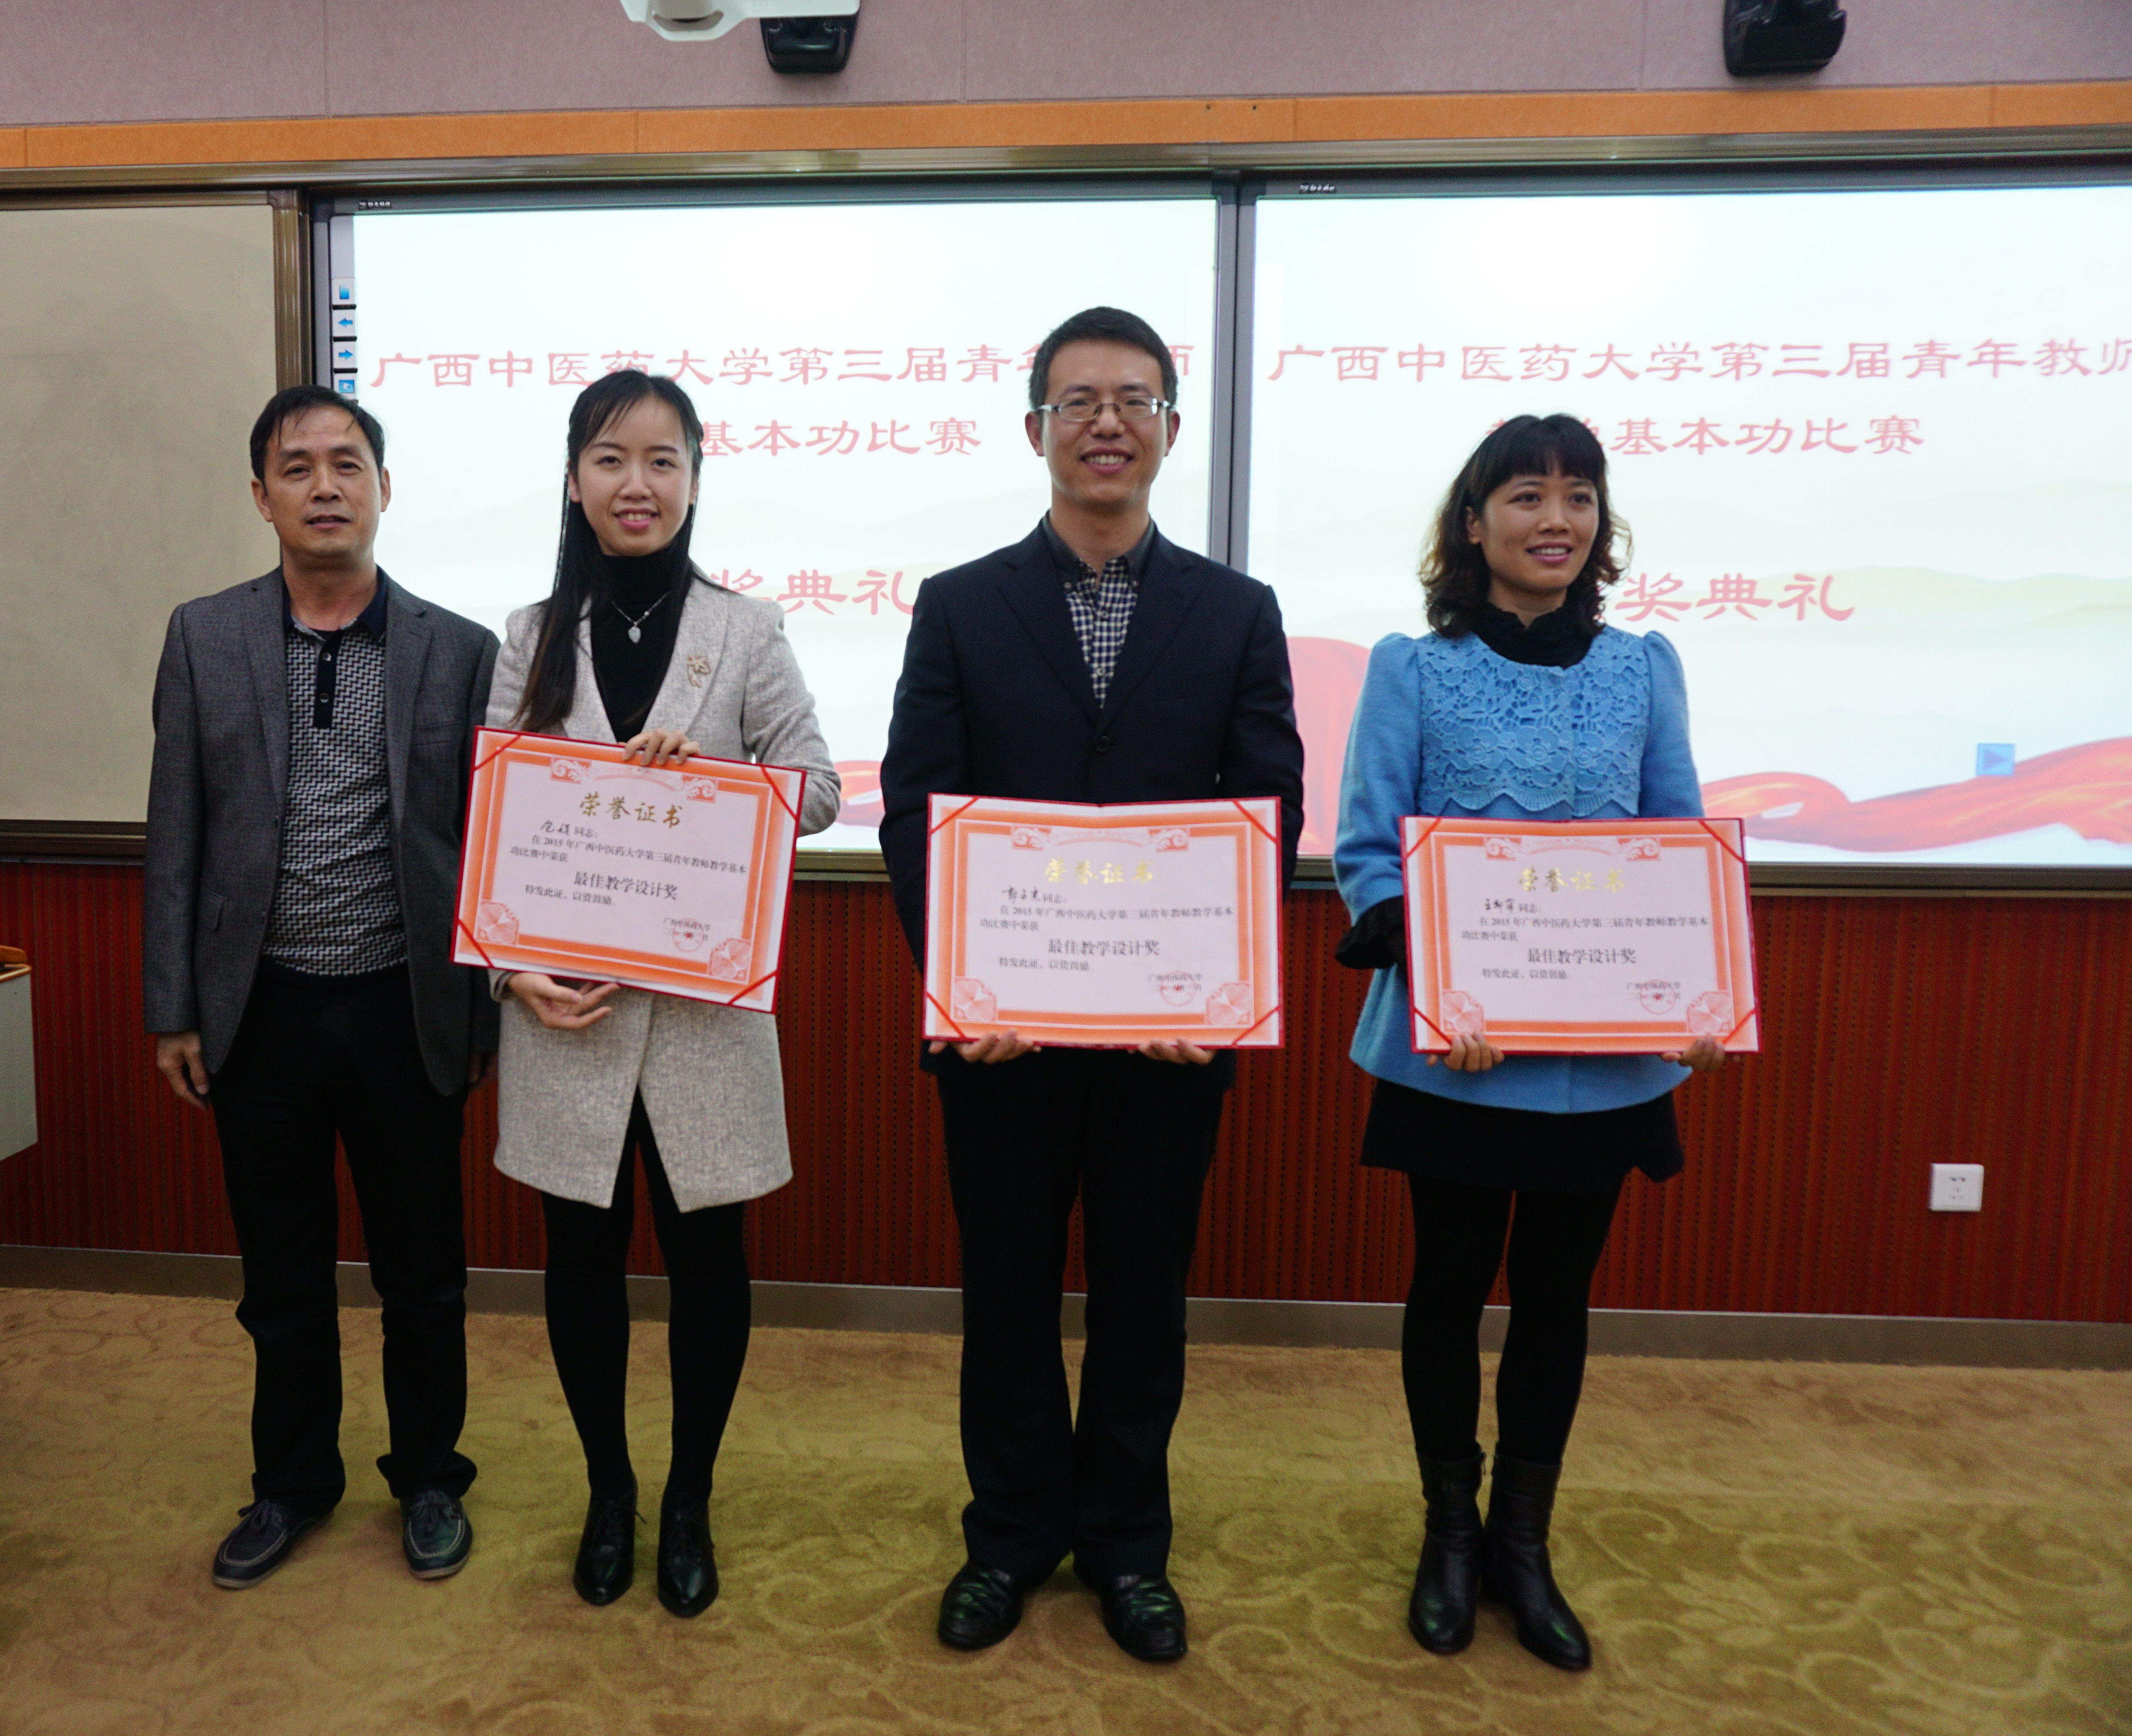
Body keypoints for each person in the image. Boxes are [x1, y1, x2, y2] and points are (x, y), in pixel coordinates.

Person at [878, 308, 1306, 1664]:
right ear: (1037, 430)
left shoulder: (1237, 611)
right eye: (1079, 401)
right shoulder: (960, 603)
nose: (1107, 422)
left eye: (1134, 399)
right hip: (1000, 1036)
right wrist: (962, 991)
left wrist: (1217, 992)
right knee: (1005, 1294)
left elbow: (1269, 808)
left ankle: (1127, 1546)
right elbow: (914, 811)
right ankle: (1009, 1536)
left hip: (1169, 1041)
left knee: (1143, 1298)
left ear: (1171, 427)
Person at [1330, 413, 1727, 1672]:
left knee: (1559, 1297)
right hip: (1458, 1052)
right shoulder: (1413, 667)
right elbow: (1368, 851)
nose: (1556, 519)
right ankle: (1449, 1534)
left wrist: (1699, 993)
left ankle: (1522, 1543)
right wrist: (1443, 983)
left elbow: (1676, 847)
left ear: (1600, 524)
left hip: (1604, 1066)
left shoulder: (1647, 669)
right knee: (1449, 1288)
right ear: (1474, 522)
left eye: (1578, 496)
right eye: (1525, 496)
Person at [487, 369, 840, 1618]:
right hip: (567, 1010)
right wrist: (510, 972)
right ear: (574, 480)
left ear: (694, 478)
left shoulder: (746, 631)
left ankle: (689, 1496)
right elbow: (488, 817)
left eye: (662, 461)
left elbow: (821, 788)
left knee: (709, 1264)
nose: (636, 485)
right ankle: (610, 1491)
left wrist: (723, 785)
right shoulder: (531, 634)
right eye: (610, 459)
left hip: (702, 1014)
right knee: (579, 1263)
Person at [143, 385, 500, 1591]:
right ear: (263, 498)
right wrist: (172, 1007)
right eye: (297, 468)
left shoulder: (458, 649)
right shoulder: (205, 636)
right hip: (261, 1012)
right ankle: (293, 1484)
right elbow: (176, 830)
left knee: (424, 1276)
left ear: (385, 488)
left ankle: (431, 1476)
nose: (326, 486)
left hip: (408, 1009)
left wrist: (484, 1007)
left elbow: (485, 845)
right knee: (281, 1278)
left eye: (348, 464)